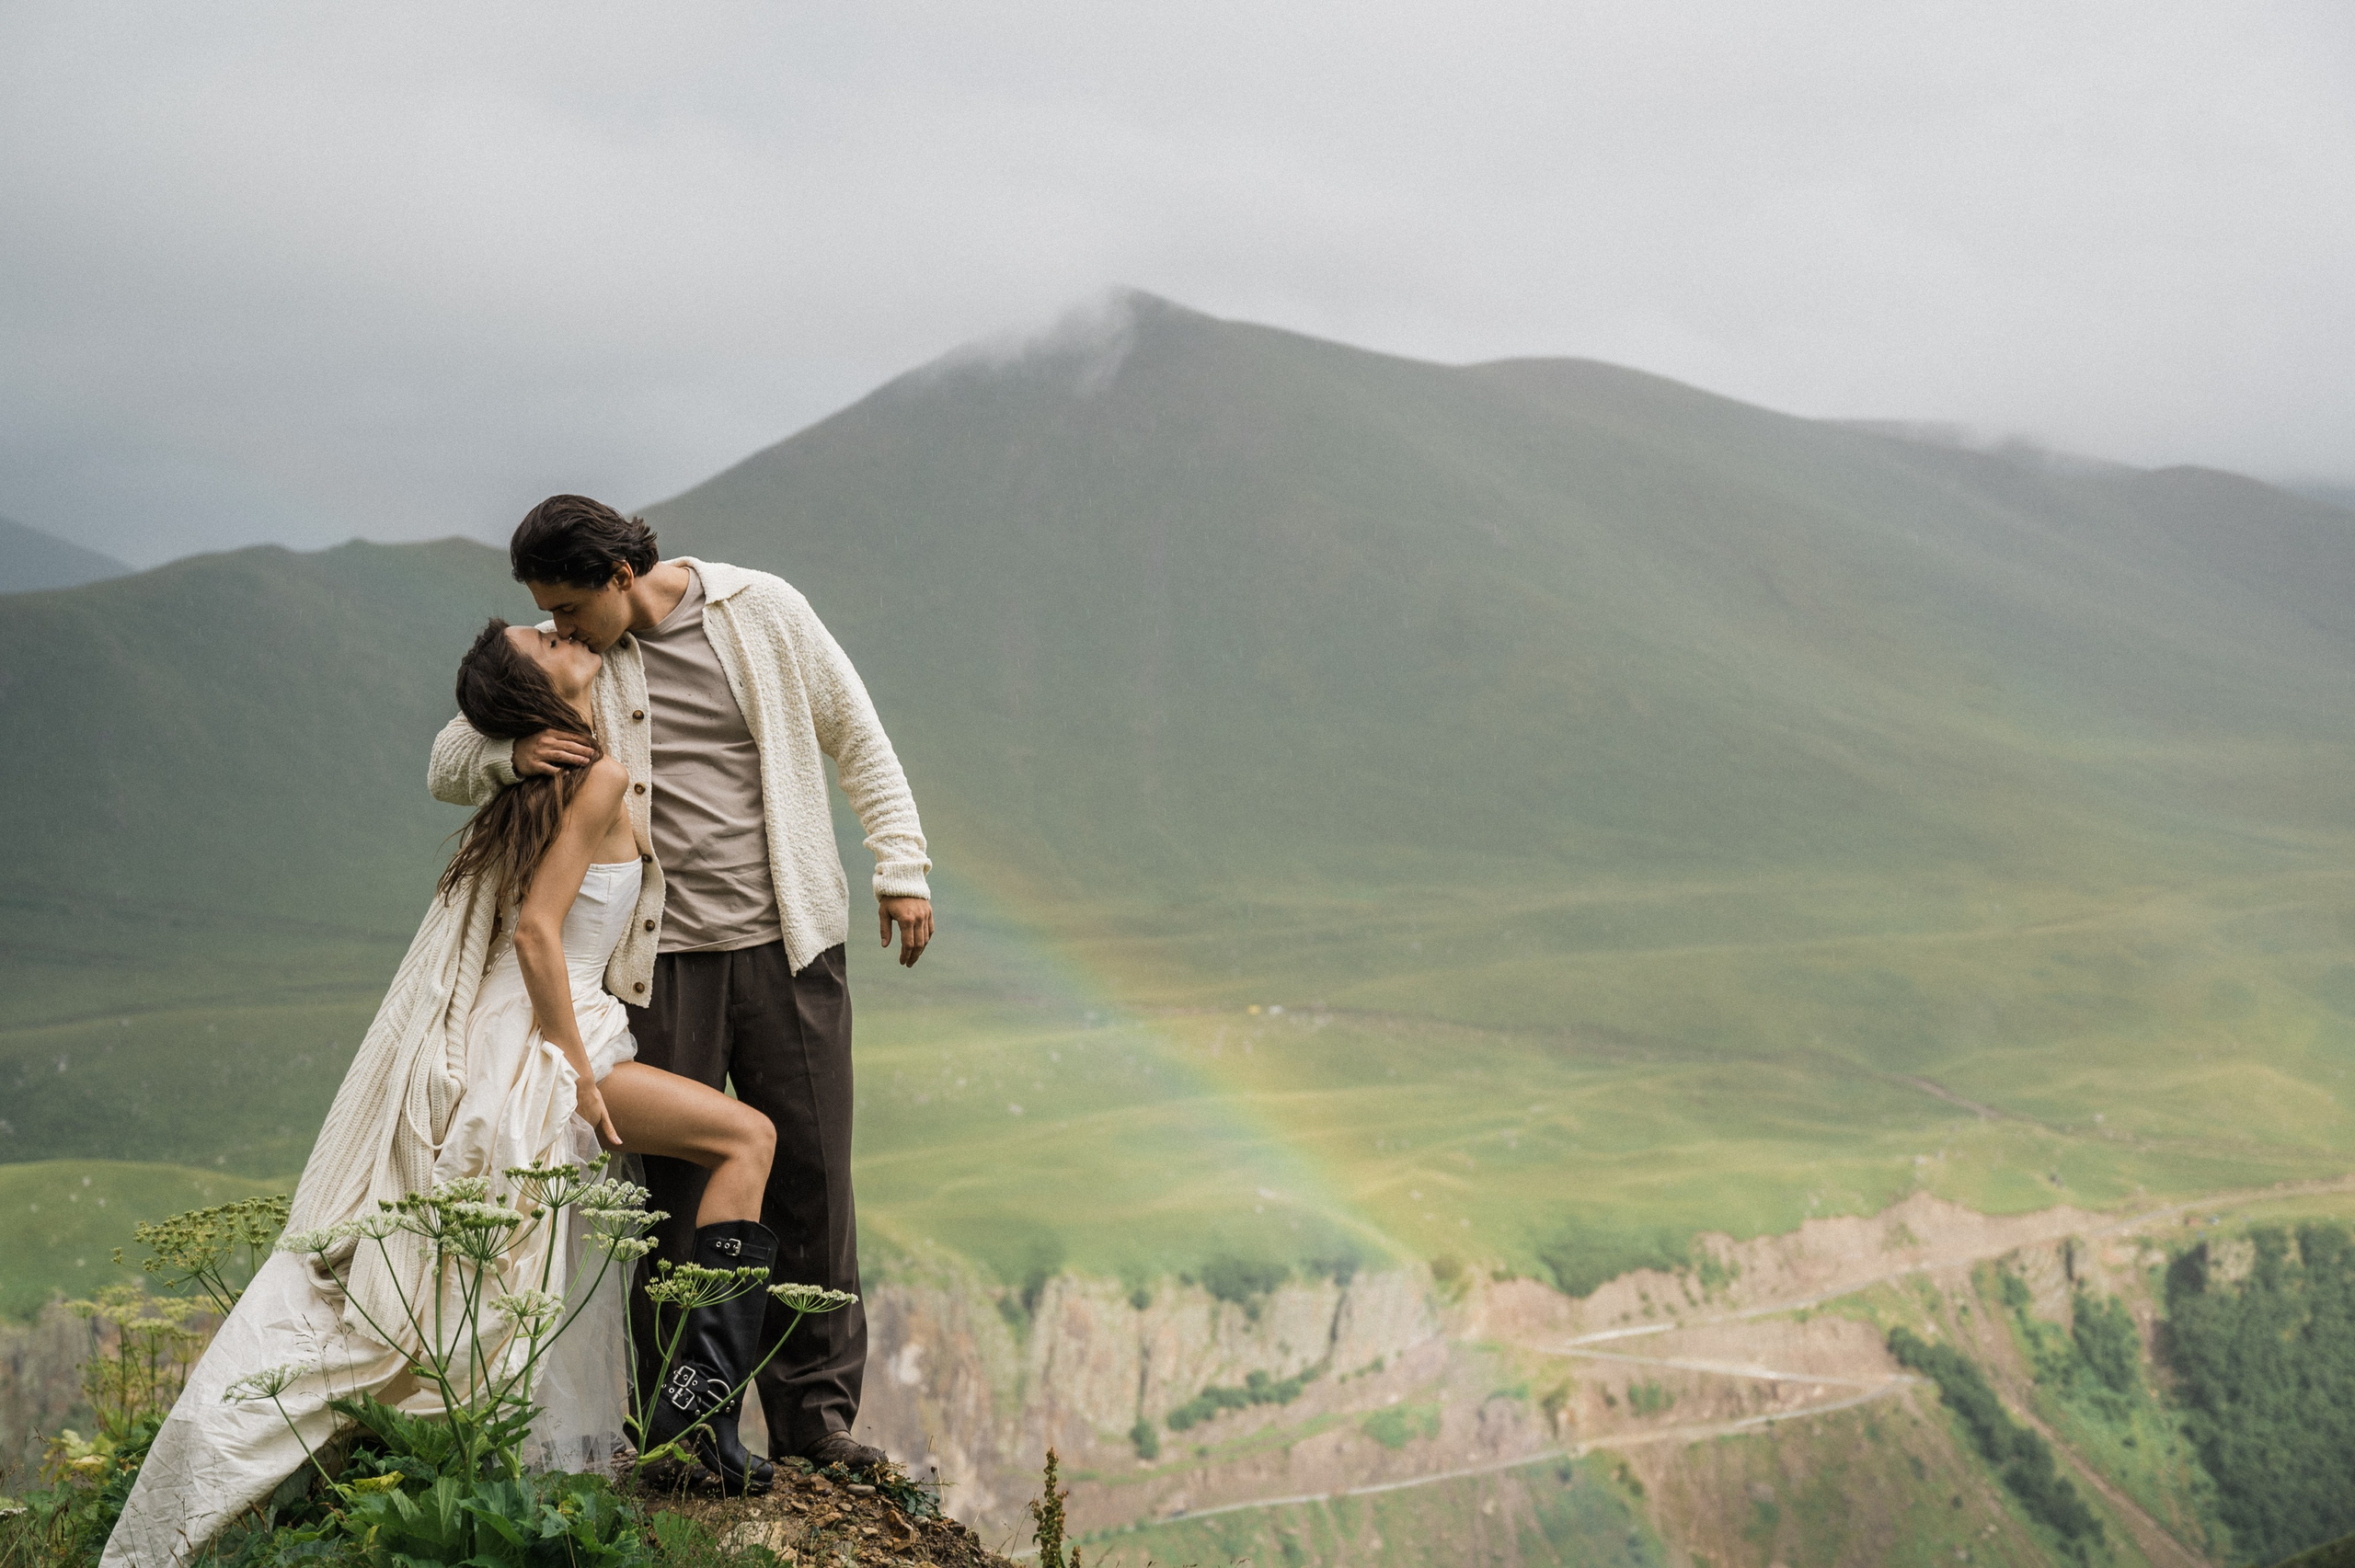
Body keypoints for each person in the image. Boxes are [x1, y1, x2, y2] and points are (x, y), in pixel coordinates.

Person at [104, 619, 781, 1568]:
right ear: (535, 694)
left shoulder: (543, 774)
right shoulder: (589, 779)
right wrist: (576, 1072)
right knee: (742, 1138)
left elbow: (477, 780)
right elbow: (541, 934)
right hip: (542, 1035)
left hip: (530, 1024)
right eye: (539, 638)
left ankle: (683, 1430)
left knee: (494, 1277)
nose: (556, 629)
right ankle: (694, 1429)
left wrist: (509, 747)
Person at [428, 495, 932, 1479]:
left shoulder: (765, 610)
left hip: (791, 945)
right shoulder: (567, 657)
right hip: (655, 969)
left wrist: (900, 866)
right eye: (546, 612)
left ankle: (816, 1424)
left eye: (569, 606)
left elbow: (855, 732)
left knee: (814, 1185)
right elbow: (448, 757)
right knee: (673, 1201)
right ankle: (684, 1430)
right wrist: (509, 751)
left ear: (621, 575)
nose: (556, 629)